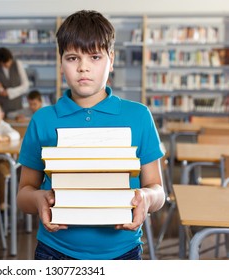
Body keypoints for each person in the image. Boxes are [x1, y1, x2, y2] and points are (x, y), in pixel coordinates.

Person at [17, 10, 165, 260]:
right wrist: (39, 199)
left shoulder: (138, 116)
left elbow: (158, 190)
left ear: (111, 59)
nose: (83, 67)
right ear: (61, 62)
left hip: (123, 252)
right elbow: (23, 194)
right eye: (72, 58)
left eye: (95, 57)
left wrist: (146, 198)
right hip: (55, 251)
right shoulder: (43, 120)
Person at [0, 47, 29, 117]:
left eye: (8, 62)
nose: (7, 65)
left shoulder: (17, 64)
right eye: (2, 64)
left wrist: (9, 92)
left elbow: (26, 85)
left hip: (16, 107)